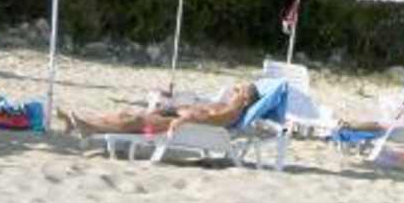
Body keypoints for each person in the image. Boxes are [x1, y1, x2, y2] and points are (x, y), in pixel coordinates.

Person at [58, 82, 260, 137]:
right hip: (174, 114)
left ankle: (89, 128)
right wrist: (172, 107)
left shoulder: (231, 112)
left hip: (175, 125)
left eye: (238, 90)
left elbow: (207, 121)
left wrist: (181, 119)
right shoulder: (225, 105)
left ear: (245, 100)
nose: (233, 91)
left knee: (136, 123)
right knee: (124, 114)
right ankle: (81, 122)